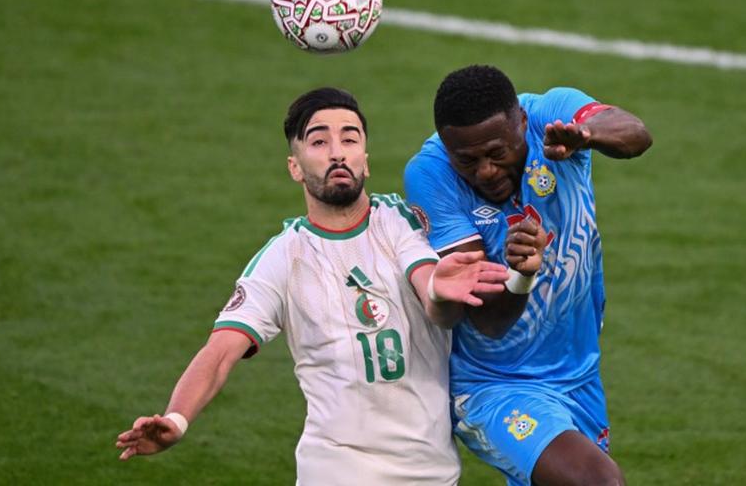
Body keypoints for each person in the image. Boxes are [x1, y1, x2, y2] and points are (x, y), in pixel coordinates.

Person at [116, 87, 510, 485]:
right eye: (319, 141)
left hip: (432, 471)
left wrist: (439, 290)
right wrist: (177, 418)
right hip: (335, 468)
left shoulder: (399, 222)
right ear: (295, 166)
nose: (337, 152)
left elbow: (432, 293)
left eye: (350, 139)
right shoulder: (282, 259)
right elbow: (220, 352)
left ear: (365, 162)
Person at [404, 65, 653, 486]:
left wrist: (588, 136)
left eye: (497, 153)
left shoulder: (552, 113)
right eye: (467, 159)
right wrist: (521, 275)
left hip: (578, 370)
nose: (485, 171)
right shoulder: (430, 175)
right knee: (596, 482)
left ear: (521, 121)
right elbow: (487, 319)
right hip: (493, 384)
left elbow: (636, 134)